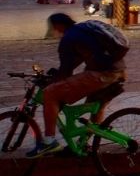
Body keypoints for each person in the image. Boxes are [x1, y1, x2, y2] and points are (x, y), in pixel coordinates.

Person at [28, 13, 128, 158]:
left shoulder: (68, 38)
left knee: (49, 93)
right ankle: (82, 144)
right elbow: (78, 59)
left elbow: (66, 71)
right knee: (96, 107)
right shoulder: (82, 31)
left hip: (101, 75)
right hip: (119, 73)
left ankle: (49, 141)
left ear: (58, 25)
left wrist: (52, 81)